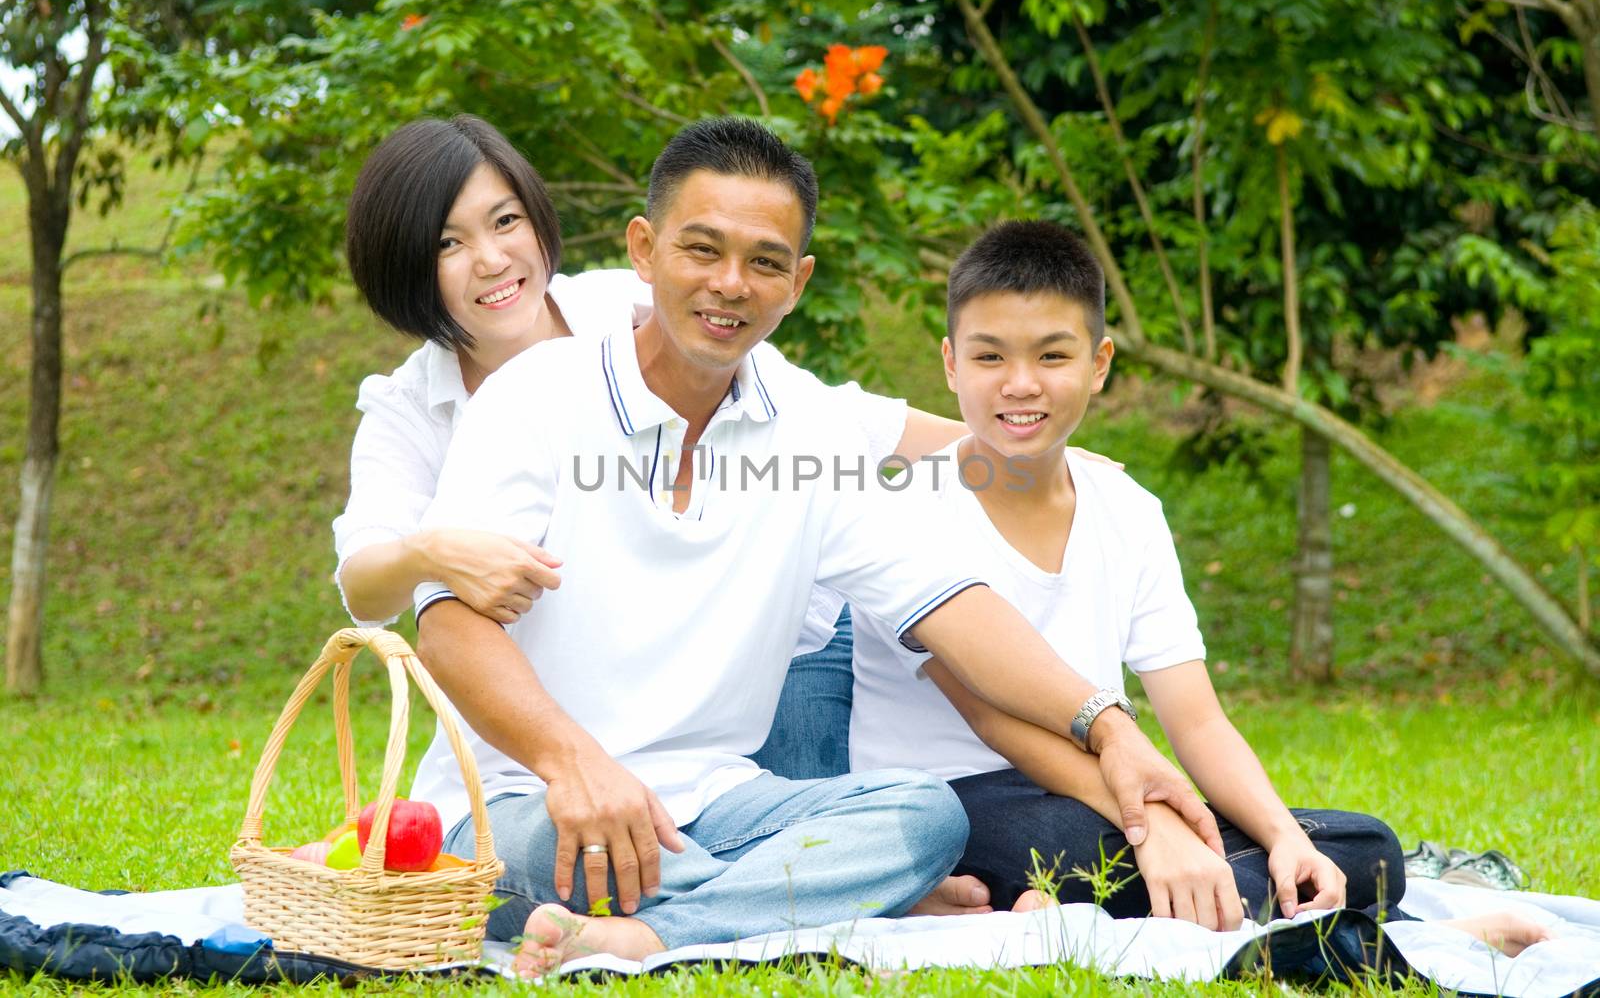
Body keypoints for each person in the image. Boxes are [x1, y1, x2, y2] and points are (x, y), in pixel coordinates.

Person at [408, 118, 1220, 975]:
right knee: (574, 851)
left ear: (796, 283)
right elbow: (450, 627)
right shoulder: (537, 395)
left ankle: (661, 930)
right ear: (643, 251)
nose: (730, 284)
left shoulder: (809, 429)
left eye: (764, 262)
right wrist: (573, 763)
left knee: (924, 817)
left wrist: (1109, 726)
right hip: (521, 799)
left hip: (719, 802)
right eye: (702, 249)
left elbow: (954, 606)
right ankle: (797, 897)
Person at [847, 220, 1552, 956]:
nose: (1021, 384)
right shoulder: (904, 510)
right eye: (990, 356)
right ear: (951, 364)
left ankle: (1100, 909)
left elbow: (1197, 721)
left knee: (1362, 848)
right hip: (956, 800)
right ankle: (1365, 938)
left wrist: (1281, 835)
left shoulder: (1127, 510)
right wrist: (1157, 827)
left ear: (1099, 363)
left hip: (1101, 781)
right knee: (1112, 863)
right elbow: (995, 717)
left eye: (1053, 355)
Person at [331, 114, 949, 783]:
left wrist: (1021, 452)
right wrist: (431, 551)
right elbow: (365, 584)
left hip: (756, 658)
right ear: (406, 266)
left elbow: (835, 418)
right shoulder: (408, 408)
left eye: (506, 221)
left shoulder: (626, 303)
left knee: (840, 804)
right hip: (575, 706)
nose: (491, 259)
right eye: (449, 242)